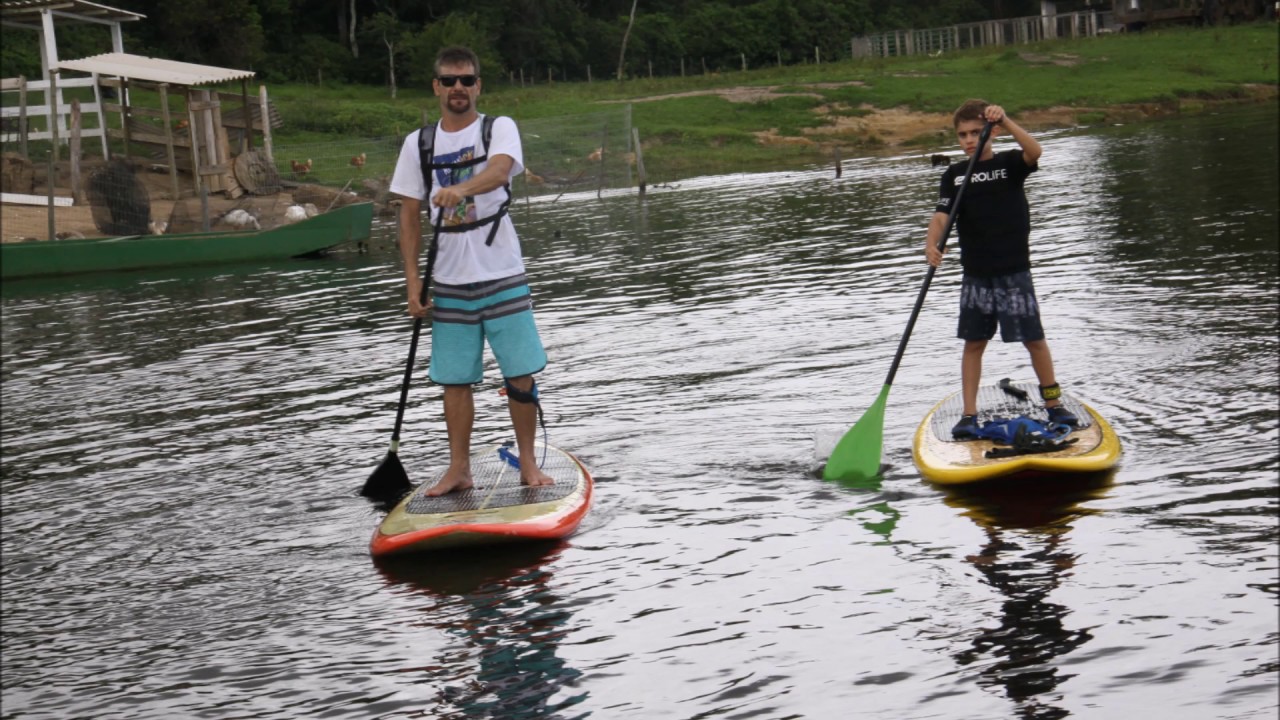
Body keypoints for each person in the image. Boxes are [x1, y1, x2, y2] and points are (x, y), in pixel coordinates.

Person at [389, 46, 554, 494]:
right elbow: (408, 215)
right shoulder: (418, 143)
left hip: (502, 272)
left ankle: (528, 464)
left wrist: (460, 189)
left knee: (519, 372)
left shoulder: (498, 128)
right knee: (454, 379)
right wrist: (413, 283)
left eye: (466, 80)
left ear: (478, 86)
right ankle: (459, 469)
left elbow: (500, 171)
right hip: (448, 281)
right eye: (449, 80)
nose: (457, 88)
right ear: (436, 87)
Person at [924, 99, 1078, 439]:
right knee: (973, 343)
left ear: (990, 133)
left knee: (1034, 340)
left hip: (1014, 271)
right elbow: (941, 216)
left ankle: (1054, 403)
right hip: (976, 274)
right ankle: (968, 414)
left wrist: (1005, 120)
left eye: (976, 133)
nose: (969, 140)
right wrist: (931, 244)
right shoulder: (954, 175)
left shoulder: (1009, 164)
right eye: (963, 134)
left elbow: (1035, 151)